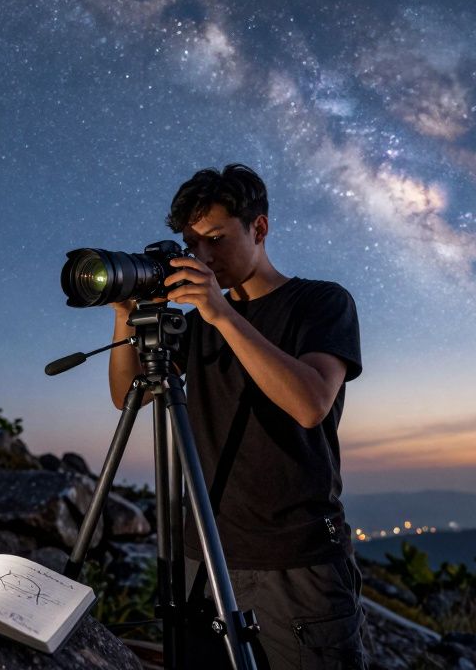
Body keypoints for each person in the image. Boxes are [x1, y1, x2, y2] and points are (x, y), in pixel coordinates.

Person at [108, 164, 367, 669]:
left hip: (294, 561)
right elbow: (127, 396)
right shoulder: (199, 323)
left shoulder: (320, 302)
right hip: (201, 554)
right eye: (191, 242)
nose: (202, 255)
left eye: (216, 238)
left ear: (260, 228)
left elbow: (310, 403)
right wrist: (124, 314)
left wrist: (221, 315)